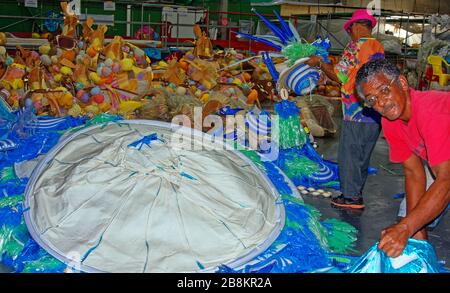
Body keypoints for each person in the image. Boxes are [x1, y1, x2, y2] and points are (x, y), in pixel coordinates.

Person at [355, 58, 450, 258]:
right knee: (412, 218)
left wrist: (406, 228)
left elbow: (446, 180)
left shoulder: (431, 111)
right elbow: (413, 172)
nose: (381, 103)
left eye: (384, 91)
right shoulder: (391, 121)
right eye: (372, 100)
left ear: (403, 83)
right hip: (444, 166)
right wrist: (416, 233)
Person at [306, 9, 385, 209]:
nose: (349, 33)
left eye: (350, 29)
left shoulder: (355, 46)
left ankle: (351, 198)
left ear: (357, 26)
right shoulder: (377, 47)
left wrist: (320, 64)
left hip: (355, 111)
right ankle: (355, 193)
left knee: (349, 155)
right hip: (374, 112)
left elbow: (340, 76)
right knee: (362, 156)